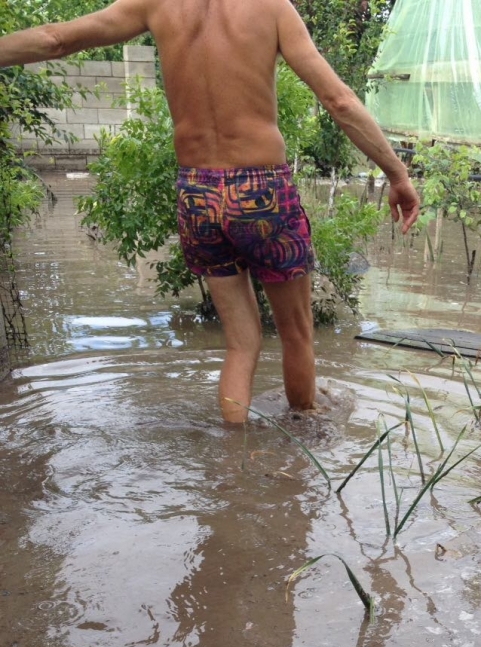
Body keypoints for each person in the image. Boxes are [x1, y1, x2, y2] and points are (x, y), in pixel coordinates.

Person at [0, 0, 420, 423]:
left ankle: (231, 470)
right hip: (264, 190)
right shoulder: (272, 8)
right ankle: (302, 459)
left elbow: (54, 40)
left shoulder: (155, 4)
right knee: (296, 334)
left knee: (241, 344)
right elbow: (340, 102)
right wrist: (397, 174)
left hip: (197, 193)